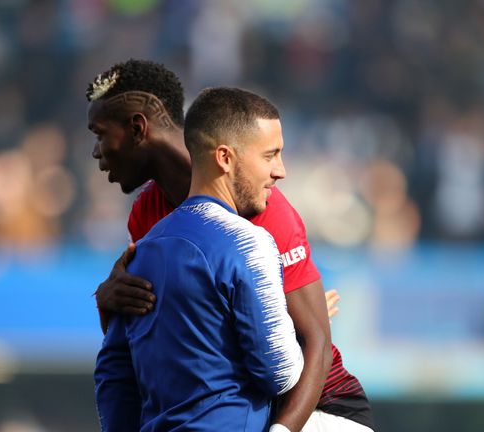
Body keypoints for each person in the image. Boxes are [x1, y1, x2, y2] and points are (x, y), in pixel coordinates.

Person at [87, 60, 374, 431]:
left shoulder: (261, 208)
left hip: (318, 410)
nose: (96, 151)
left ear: (138, 128)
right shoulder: (147, 213)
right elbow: (162, 335)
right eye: (271, 156)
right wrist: (109, 305)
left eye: (99, 133)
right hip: (241, 407)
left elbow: (315, 342)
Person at [94, 86, 304, 431]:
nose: (280, 171)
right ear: (224, 157)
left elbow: (114, 371)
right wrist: (290, 325)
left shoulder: (141, 250)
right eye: (270, 156)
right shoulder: (249, 243)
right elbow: (278, 372)